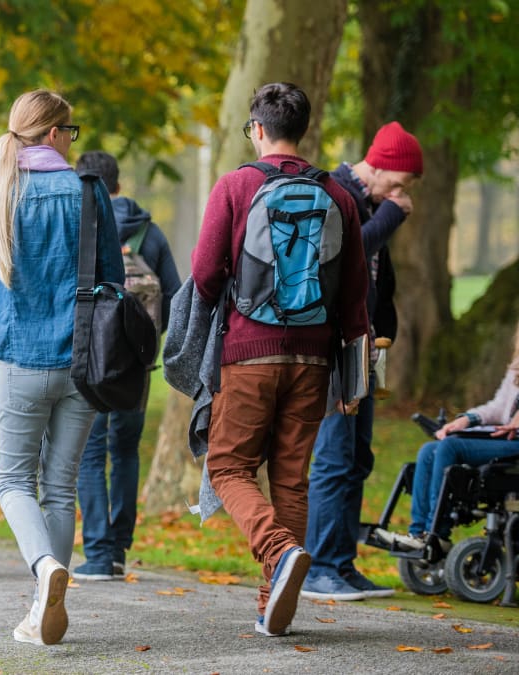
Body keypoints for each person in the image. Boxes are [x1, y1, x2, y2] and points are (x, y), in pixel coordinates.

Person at [191, 82, 369, 638]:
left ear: (258, 129)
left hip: (249, 352)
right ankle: (275, 600)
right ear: (304, 130)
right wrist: (353, 374)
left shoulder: (237, 185)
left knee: (228, 466)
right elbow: (355, 296)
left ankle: (279, 549)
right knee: (292, 477)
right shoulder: (340, 196)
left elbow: (203, 272)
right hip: (316, 357)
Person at [0, 89, 123, 645]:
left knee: (12, 480)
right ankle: (43, 605)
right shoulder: (89, 191)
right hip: (83, 361)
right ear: (55, 134)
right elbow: (112, 280)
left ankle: (43, 570)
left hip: (20, 357)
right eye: (71, 132)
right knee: (60, 487)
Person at [302, 122, 424, 601]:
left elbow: (378, 277)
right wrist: (392, 214)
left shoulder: (373, 203)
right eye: (400, 183)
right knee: (333, 457)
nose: (402, 194)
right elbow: (347, 256)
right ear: (381, 166)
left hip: (365, 348)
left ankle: (342, 563)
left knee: (357, 458)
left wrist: (385, 329)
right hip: (333, 348)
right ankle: (318, 569)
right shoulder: (338, 194)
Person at [70, 150, 181, 581]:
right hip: (136, 364)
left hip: (92, 361)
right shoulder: (149, 231)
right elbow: (172, 293)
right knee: (126, 450)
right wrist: (145, 343)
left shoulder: (81, 224)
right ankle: (118, 550)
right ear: (116, 184)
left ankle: (97, 555)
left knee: (91, 451)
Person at [380, 321, 519, 550]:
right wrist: (466, 419)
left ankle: (438, 532)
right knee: (429, 450)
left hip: (514, 443)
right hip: (503, 437)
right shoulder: (515, 369)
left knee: (449, 448)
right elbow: (497, 408)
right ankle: (419, 533)